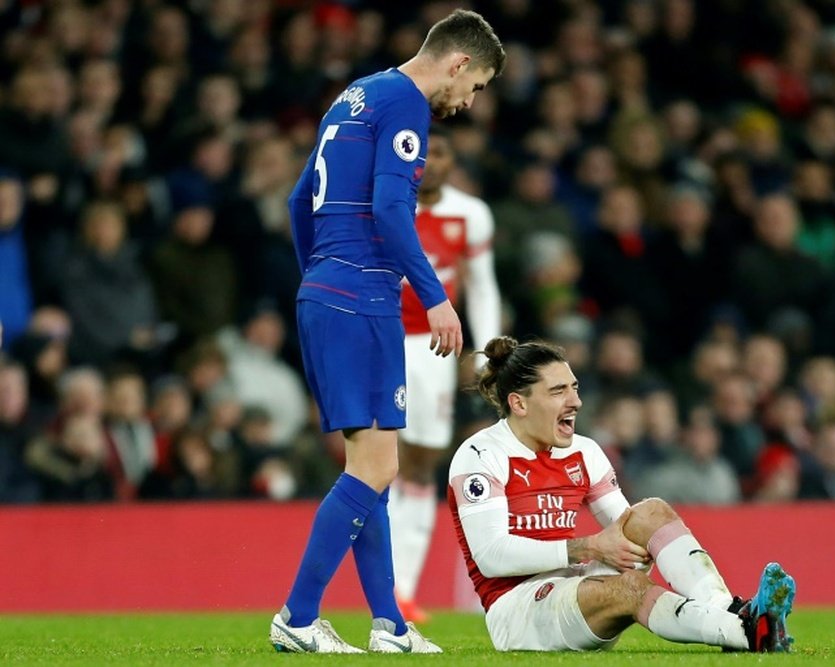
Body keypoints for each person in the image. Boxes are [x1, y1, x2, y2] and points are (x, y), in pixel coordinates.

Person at [269, 9, 505, 655]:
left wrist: (318, 274)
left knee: (374, 466)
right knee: (376, 467)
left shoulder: (358, 93)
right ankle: (298, 613)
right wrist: (436, 298)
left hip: (328, 289)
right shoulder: (407, 104)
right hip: (363, 298)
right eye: (477, 84)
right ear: (458, 63)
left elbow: (298, 200)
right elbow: (391, 206)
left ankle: (389, 623)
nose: (470, 99)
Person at [448, 336, 796, 653]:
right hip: (518, 610)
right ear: (519, 404)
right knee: (630, 589)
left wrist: (624, 547)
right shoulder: (481, 455)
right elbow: (491, 557)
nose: (576, 402)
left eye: (575, 388)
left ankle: (729, 611)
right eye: (558, 392)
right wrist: (586, 548)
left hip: (575, 587)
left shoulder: (583, 452)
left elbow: (625, 529)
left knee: (651, 512)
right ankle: (746, 633)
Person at [388, 123, 501, 623]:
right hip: (383, 340)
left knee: (419, 462)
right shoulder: (387, 207)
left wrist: (488, 350)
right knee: (379, 455)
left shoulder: (470, 214)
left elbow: (481, 287)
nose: (432, 163)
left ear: (454, 161)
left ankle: (401, 590)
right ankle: (387, 584)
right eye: (425, 154)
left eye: (443, 154)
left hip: (435, 350)